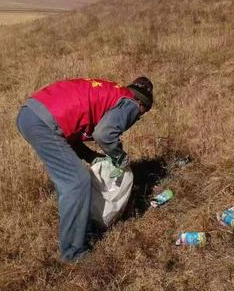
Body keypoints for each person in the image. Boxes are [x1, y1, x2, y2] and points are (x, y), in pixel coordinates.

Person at [16, 76, 153, 262]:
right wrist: (121, 158)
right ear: (141, 103)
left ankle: (78, 227)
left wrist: (91, 157)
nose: (136, 119)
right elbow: (104, 134)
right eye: (140, 116)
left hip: (31, 113)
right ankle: (73, 253)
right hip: (43, 124)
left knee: (70, 180)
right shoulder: (130, 103)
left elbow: (69, 131)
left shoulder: (111, 93)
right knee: (76, 182)